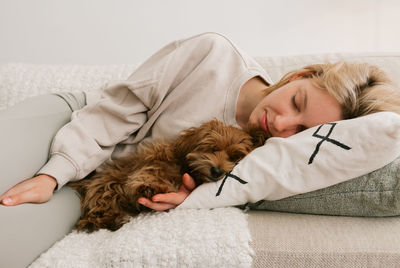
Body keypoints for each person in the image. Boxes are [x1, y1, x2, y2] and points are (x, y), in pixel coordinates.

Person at [1, 33, 400, 265]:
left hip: (99, 183)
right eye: (296, 102)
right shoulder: (212, 55)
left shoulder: (263, 160)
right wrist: (54, 173)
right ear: (299, 75)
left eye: (300, 130)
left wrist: (192, 195)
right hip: (70, 126)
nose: (280, 124)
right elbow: (114, 113)